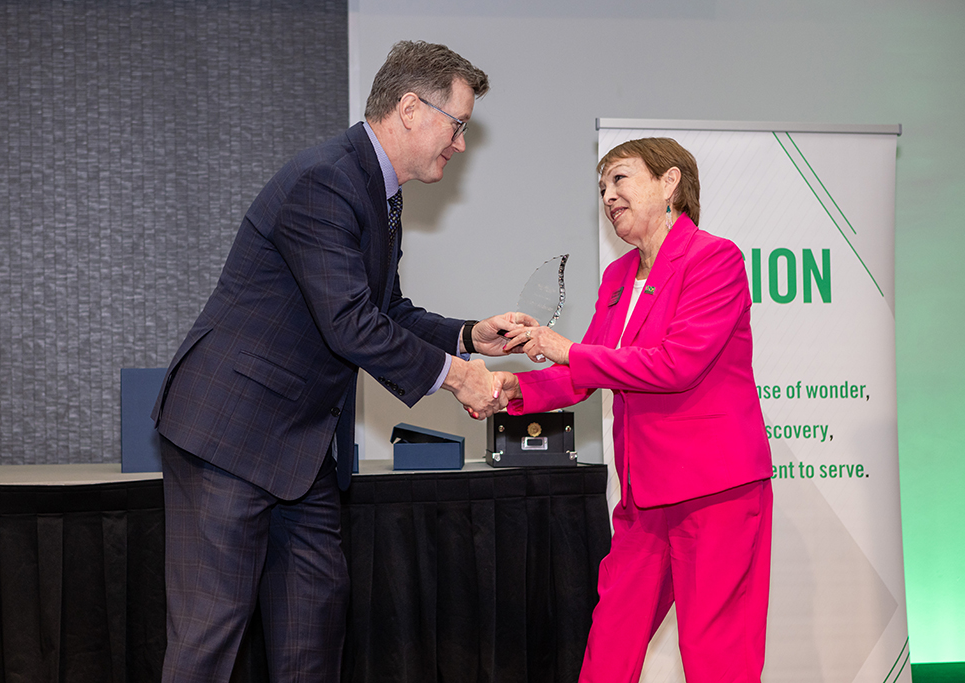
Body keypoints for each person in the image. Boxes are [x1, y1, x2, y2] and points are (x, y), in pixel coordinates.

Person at [151, 40, 527, 683]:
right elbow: (350, 323)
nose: (460, 145)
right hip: (229, 437)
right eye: (457, 125)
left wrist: (468, 337)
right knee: (208, 646)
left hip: (299, 452)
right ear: (411, 108)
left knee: (313, 638)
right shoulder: (326, 179)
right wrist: (457, 379)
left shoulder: (379, 193)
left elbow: (386, 311)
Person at [497, 138, 774, 682]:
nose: (608, 195)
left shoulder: (714, 258)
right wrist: (512, 390)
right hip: (645, 499)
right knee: (611, 643)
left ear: (670, 183)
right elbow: (587, 372)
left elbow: (676, 366)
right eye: (602, 187)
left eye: (620, 179)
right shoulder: (619, 276)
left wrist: (567, 349)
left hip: (714, 494)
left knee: (717, 654)